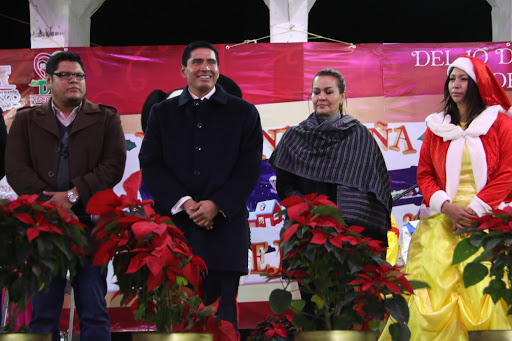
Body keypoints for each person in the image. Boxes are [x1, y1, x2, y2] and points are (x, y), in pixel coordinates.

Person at [379, 56, 512, 340]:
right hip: (444, 217)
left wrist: (475, 210)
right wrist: (447, 207)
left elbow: (508, 172)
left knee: (489, 284)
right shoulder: (437, 127)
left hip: (488, 218)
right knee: (429, 285)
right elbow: (425, 174)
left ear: (477, 85)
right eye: (452, 79)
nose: (456, 84)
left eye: (463, 78)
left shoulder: (499, 124)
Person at [138, 40, 262, 333]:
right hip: (176, 231)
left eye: (211, 62)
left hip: (225, 232)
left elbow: (249, 168)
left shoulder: (244, 113)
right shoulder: (162, 113)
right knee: (177, 317)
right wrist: (184, 202)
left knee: (223, 319)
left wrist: (216, 205)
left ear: (218, 70)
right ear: (184, 70)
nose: (205, 67)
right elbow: (151, 164)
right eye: (197, 62)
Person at [5, 51, 126, 341]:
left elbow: (113, 166)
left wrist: (72, 195)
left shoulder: (106, 118)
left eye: (79, 76)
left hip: (90, 226)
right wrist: (52, 205)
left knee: (94, 311)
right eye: (66, 75)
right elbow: (15, 169)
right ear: (48, 80)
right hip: (45, 229)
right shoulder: (25, 120)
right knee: (43, 313)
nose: (74, 81)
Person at [269, 68, 392, 244]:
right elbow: (285, 186)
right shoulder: (294, 136)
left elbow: (376, 188)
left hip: (350, 238)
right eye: (316, 92)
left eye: (329, 92)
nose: (321, 97)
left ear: (342, 96)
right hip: (305, 233)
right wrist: (311, 211)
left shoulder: (359, 136)